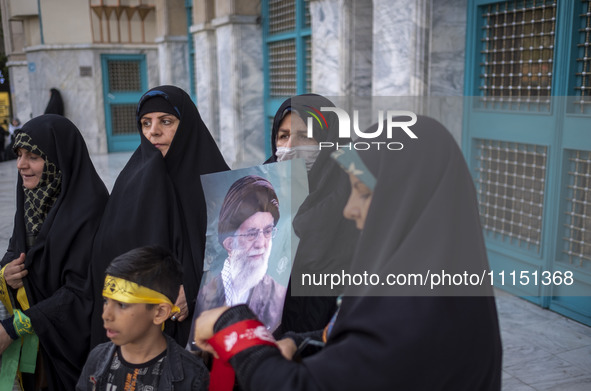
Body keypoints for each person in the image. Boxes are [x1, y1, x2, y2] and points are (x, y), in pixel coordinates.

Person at [193, 116, 503, 390]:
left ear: (406, 199)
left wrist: (233, 324)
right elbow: (354, 341)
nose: (350, 209)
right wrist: (299, 342)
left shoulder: (417, 309)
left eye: (364, 192)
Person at [89, 85, 230, 349]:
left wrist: (194, 289)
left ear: (186, 124)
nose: (154, 131)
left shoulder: (217, 181)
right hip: (140, 329)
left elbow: (240, 252)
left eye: (166, 121)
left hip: (198, 327)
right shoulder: (130, 183)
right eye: (146, 123)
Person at [0, 114, 109, 390]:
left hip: (73, 348)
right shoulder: (30, 199)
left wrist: (17, 326)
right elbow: (15, 250)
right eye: (19, 154)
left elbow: (81, 292)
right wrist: (6, 273)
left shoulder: (90, 208)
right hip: (37, 342)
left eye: (33, 156)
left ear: (58, 159)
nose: (21, 165)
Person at [266, 95, 359, 334]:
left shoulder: (355, 195)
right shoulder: (263, 190)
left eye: (305, 136)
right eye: (284, 136)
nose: (290, 148)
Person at [77, 246, 209, 390]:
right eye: (106, 301)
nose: (106, 315)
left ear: (159, 313)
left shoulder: (192, 375)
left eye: (121, 305)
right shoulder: (97, 359)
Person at [195, 175, 286, 333]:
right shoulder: (204, 298)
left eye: (267, 231)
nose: (261, 243)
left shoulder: (278, 296)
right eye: (251, 234)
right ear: (229, 244)